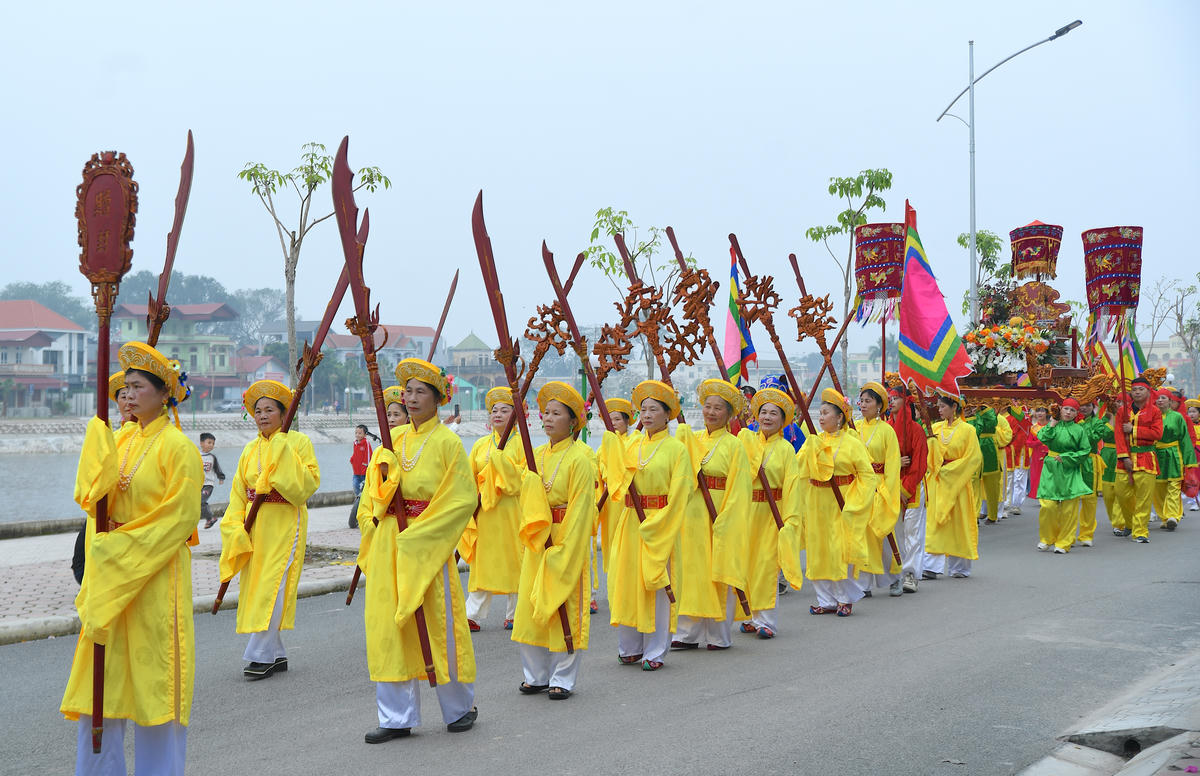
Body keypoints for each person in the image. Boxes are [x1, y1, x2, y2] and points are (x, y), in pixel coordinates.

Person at [62, 341, 201, 776]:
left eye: (138, 387)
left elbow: (177, 520)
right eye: (122, 389)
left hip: (152, 578)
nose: (126, 395)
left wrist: (117, 550)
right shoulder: (118, 440)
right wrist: (97, 440)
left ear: (164, 394)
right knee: (100, 690)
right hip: (110, 577)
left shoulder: (179, 448)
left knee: (154, 689)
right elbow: (91, 498)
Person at [356, 358, 478, 742]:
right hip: (391, 542)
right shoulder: (391, 442)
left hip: (426, 544)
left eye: (419, 391)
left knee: (439, 625)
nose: (410, 398)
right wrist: (382, 495)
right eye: (407, 391)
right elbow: (372, 496)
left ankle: (459, 707)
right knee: (389, 627)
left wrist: (420, 537)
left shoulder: (448, 443)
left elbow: (461, 500)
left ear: (437, 398)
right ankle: (395, 717)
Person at [218, 380, 320, 680]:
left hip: (285, 522)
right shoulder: (249, 449)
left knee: (272, 586)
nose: (262, 416)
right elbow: (239, 491)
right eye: (258, 410)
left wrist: (281, 448)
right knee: (256, 586)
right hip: (255, 525)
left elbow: (306, 486)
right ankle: (275, 653)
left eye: (269, 410)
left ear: (282, 413)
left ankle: (260, 653)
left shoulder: (298, 443)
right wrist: (235, 526)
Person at [512, 382, 597, 699]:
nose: (547, 418)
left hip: (564, 540)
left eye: (556, 413)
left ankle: (562, 677)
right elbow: (523, 493)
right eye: (545, 412)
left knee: (566, 604)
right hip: (538, 540)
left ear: (573, 421)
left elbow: (581, 510)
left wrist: (564, 551)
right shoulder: (536, 456)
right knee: (531, 605)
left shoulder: (580, 459)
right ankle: (535, 675)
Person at [601, 380, 691, 670]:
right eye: (643, 410)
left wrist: (659, 525)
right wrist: (610, 445)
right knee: (628, 581)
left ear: (668, 414)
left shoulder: (677, 449)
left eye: (654, 409)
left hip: (659, 524)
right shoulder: (630, 444)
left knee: (655, 584)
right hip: (630, 523)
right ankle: (629, 645)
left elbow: (680, 494)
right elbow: (613, 474)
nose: (647, 414)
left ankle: (655, 649)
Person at [671, 379, 753, 650]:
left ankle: (718, 634)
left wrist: (727, 519)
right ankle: (687, 632)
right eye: (708, 406)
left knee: (719, 570)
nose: (711, 412)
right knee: (691, 570)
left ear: (729, 414)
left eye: (719, 408)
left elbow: (740, 487)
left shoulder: (734, 445)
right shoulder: (691, 439)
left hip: (720, 513)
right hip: (693, 514)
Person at [796, 388, 874, 616]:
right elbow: (798, 468)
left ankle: (844, 598)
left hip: (842, 502)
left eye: (826, 413)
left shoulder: (852, 442)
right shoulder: (814, 441)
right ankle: (825, 599)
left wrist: (855, 503)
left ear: (840, 416)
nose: (820, 418)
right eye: (819, 413)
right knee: (818, 551)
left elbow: (867, 475)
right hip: (817, 502)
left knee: (839, 550)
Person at [460, 386, 525, 632]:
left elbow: (524, 478)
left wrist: (499, 469)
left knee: (515, 559)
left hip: (511, 510)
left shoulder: (522, 444)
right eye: (494, 410)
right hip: (484, 513)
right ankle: (472, 614)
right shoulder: (480, 445)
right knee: (483, 562)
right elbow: (468, 477)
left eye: (504, 410)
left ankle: (515, 613)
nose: (497, 414)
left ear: (516, 415)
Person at [73, 373, 137, 585]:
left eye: (132, 395)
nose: (129, 401)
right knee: (81, 563)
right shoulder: (111, 435)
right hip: (102, 513)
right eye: (123, 397)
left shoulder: (155, 440)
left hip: (128, 519)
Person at [924, 390, 984, 578]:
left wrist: (949, 472)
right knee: (935, 523)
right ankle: (932, 566)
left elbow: (973, 458)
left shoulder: (968, 430)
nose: (939, 410)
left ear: (954, 407)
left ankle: (959, 567)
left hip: (957, 483)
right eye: (938, 406)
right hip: (938, 482)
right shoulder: (935, 428)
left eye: (943, 406)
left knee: (959, 523)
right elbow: (929, 457)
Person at [853, 382, 903, 597]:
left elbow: (893, 464)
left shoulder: (887, 431)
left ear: (879, 405)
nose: (863, 405)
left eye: (868, 401)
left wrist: (888, 492)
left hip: (881, 486)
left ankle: (895, 577)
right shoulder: (854, 427)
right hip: (859, 488)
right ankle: (863, 583)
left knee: (882, 534)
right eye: (862, 401)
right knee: (862, 535)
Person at [1035, 399, 1092, 553]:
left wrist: (1067, 457)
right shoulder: (1053, 425)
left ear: (1076, 413)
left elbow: (1085, 450)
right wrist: (1052, 422)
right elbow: (1042, 437)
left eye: (1072, 410)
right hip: (1051, 468)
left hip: (1069, 469)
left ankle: (1064, 542)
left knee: (1069, 508)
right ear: (1060, 410)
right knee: (1048, 505)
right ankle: (1047, 538)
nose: (1068, 412)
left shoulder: (1079, 430)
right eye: (1066, 409)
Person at [887, 386, 929, 593]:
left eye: (895, 398)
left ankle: (911, 573)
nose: (891, 401)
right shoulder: (885, 428)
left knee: (912, 533)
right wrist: (895, 463)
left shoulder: (916, 430)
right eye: (889, 398)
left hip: (911, 488)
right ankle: (896, 572)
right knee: (896, 532)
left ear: (906, 401)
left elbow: (919, 464)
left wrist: (905, 490)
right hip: (890, 484)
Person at [1114, 376, 1164, 544]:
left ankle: (1140, 531)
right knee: (1122, 494)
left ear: (1148, 392)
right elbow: (1119, 435)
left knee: (1144, 498)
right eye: (1134, 390)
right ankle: (1129, 523)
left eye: (1140, 389)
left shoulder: (1155, 411)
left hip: (1146, 457)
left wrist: (1133, 429)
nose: (1137, 392)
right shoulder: (1123, 411)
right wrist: (1124, 456)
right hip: (1125, 458)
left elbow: (1157, 433)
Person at [1153, 387, 1197, 531]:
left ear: (1170, 401)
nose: (1160, 400)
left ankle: (1172, 516)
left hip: (1173, 453)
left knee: (1173, 485)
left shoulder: (1178, 417)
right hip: (1155, 455)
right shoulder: (1150, 416)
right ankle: (1164, 517)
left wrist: (1189, 459)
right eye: (1158, 398)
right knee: (1158, 488)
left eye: (1163, 398)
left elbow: (1184, 438)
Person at [970, 404, 1012, 525]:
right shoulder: (971, 418)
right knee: (980, 485)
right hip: (982, 451)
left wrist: (994, 437)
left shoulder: (998, 419)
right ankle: (980, 514)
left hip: (990, 452)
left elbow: (1007, 435)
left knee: (988, 485)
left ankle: (990, 514)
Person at [1075, 402, 1109, 547]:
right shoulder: (1070, 421)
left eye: (1088, 405)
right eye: (1081, 405)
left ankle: (1086, 534)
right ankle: (1068, 534)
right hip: (1073, 461)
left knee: (1089, 500)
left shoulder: (1098, 423)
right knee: (1070, 501)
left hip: (1089, 462)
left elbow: (1090, 439)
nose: (1083, 408)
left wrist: (1078, 426)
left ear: (1093, 407)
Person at [1001, 404, 1031, 516]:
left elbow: (1013, 436)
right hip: (1003, 452)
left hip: (1014, 451)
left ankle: (1013, 505)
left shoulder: (1014, 418)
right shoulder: (994, 418)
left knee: (1017, 480)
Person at [199, 432, 227, 529]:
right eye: (209, 442)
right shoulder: (196, 455)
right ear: (201, 443)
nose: (211, 445)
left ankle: (210, 518)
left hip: (208, 484)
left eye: (213, 443)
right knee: (197, 502)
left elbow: (217, 468)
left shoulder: (212, 457)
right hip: (197, 484)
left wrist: (221, 477)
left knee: (201, 501)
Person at [350, 424, 375, 497]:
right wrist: (352, 460)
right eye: (356, 433)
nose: (357, 435)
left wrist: (366, 467)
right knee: (355, 485)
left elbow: (368, 456)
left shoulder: (366, 443)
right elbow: (355, 453)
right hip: (356, 471)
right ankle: (359, 498)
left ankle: (365, 498)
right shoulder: (355, 443)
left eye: (360, 433)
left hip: (364, 472)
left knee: (367, 487)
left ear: (365, 435)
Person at [1185, 398, 1200, 512]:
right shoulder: (1185, 425)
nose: (1191, 414)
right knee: (1192, 476)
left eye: (1194, 411)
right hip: (1191, 452)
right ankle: (1194, 500)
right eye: (1189, 412)